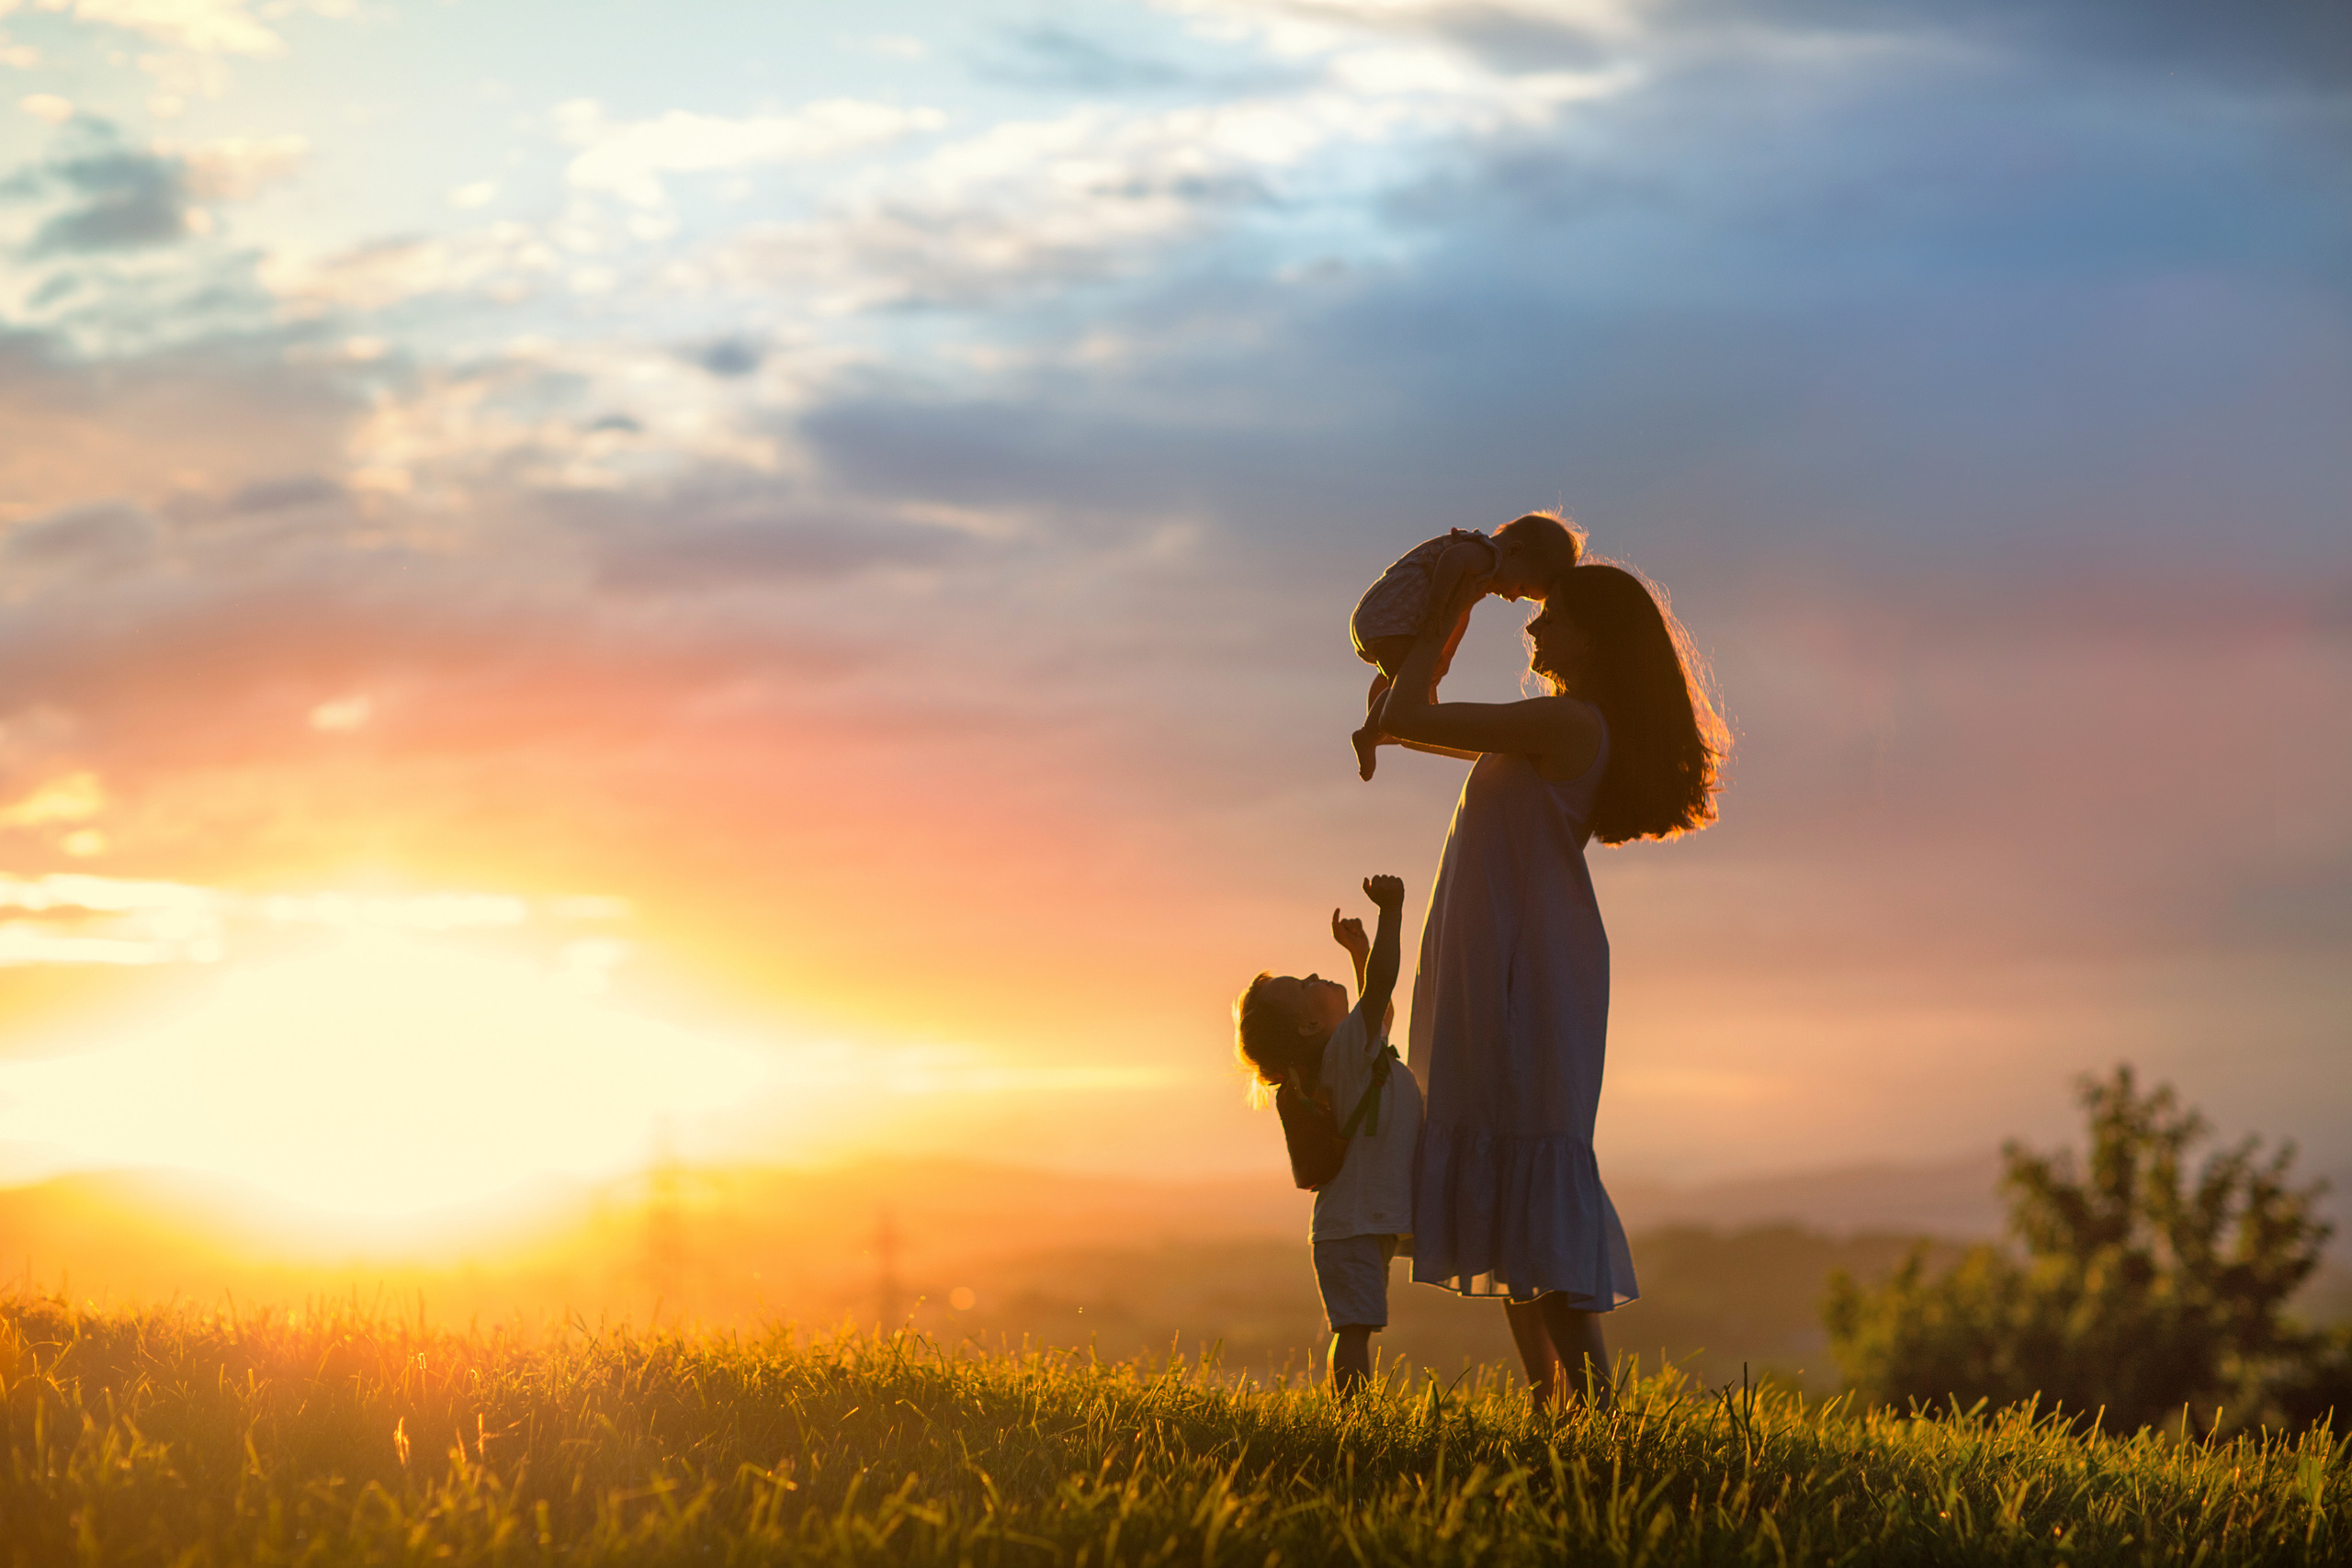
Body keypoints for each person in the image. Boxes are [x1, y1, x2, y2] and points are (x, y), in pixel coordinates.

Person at [1378, 558, 1726, 1413]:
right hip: (1509, 953)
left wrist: (1451, 599)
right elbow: (1407, 720)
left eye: (1554, 616)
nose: (1534, 627)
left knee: (1533, 1170)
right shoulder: (1556, 723)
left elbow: (1408, 714)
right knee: (1513, 1178)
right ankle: (1553, 1410)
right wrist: (1442, 624)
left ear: (1593, 640)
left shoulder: (1568, 722)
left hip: (1526, 963)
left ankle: (1597, 1413)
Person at [1231, 874, 1420, 1396]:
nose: (1315, 975)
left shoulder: (1349, 1053)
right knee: (1354, 1329)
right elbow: (1380, 990)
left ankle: (1352, 1417)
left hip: (1357, 1220)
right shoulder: (1346, 1054)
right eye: (1303, 986)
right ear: (1309, 1027)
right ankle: (1352, 1420)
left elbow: (1379, 1009)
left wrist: (1359, 955)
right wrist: (1391, 913)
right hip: (1353, 1222)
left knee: (1355, 1326)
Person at [1348, 513, 1584, 780]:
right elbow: (1452, 560)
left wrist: (1446, 653)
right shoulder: (1486, 556)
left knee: (1402, 679)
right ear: (1514, 551)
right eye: (1521, 588)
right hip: (1390, 617)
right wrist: (1436, 607)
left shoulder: (1479, 570)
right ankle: (1370, 734)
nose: (1514, 598)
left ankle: (1378, 728)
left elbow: (1462, 612)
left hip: (1384, 617)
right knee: (1404, 684)